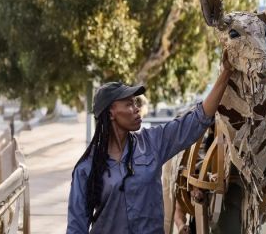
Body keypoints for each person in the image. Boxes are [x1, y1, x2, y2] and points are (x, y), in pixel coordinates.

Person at [66, 51, 234, 234]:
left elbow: (197, 120)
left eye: (136, 103)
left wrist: (225, 72)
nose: (137, 109)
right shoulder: (86, 168)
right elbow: (76, 228)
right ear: (111, 113)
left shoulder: (152, 143)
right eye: (129, 104)